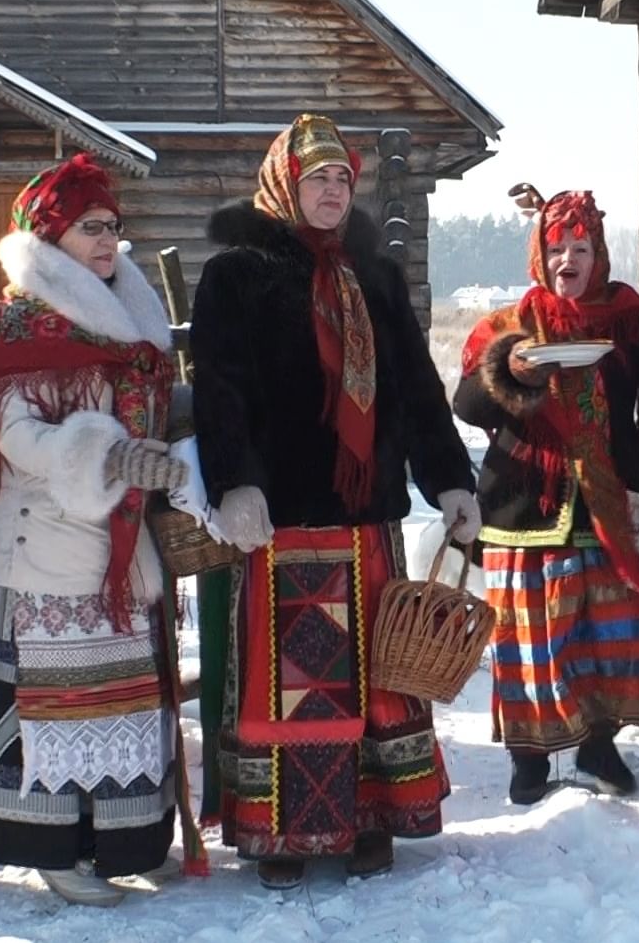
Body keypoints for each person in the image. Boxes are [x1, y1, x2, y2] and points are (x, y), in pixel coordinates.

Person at [191, 114, 478, 891]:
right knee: (291, 680)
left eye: (341, 179)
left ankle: (369, 817)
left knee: (372, 679)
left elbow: (418, 390)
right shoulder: (236, 275)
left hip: (366, 521)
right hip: (283, 516)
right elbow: (219, 390)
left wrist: (450, 479)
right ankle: (279, 826)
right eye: (316, 178)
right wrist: (235, 482)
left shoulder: (373, 277)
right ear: (286, 183)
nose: (330, 191)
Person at [0, 153, 190, 906]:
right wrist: (110, 452)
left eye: (115, 229)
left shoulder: (128, 323)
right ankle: (51, 847)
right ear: (51, 233)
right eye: (91, 227)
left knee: (121, 695)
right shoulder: (21, 321)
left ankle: (122, 841)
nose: (107, 241)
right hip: (53, 543)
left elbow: (151, 406)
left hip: (120, 544)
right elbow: (17, 438)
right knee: (54, 698)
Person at [454, 187, 639, 806]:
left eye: (581, 247)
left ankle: (598, 744)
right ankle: (529, 755)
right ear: (539, 256)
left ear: (599, 255)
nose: (568, 258)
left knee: (606, 632)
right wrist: (512, 371)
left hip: (606, 504)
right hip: (525, 502)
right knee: (529, 636)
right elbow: (466, 404)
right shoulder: (511, 325)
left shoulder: (626, 319)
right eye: (556, 247)